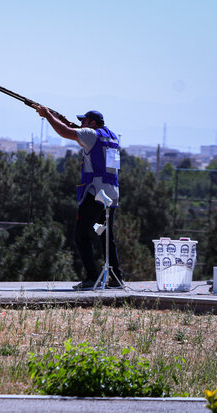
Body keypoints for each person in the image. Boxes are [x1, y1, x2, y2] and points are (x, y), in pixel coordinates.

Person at [35, 106, 124, 290]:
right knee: (104, 236)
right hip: (111, 195)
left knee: (81, 234)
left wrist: (48, 115)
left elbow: (64, 132)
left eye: (84, 121)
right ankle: (117, 278)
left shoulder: (91, 135)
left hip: (95, 193)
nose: (82, 123)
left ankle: (92, 277)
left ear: (92, 123)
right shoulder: (111, 137)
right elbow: (92, 148)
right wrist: (72, 127)